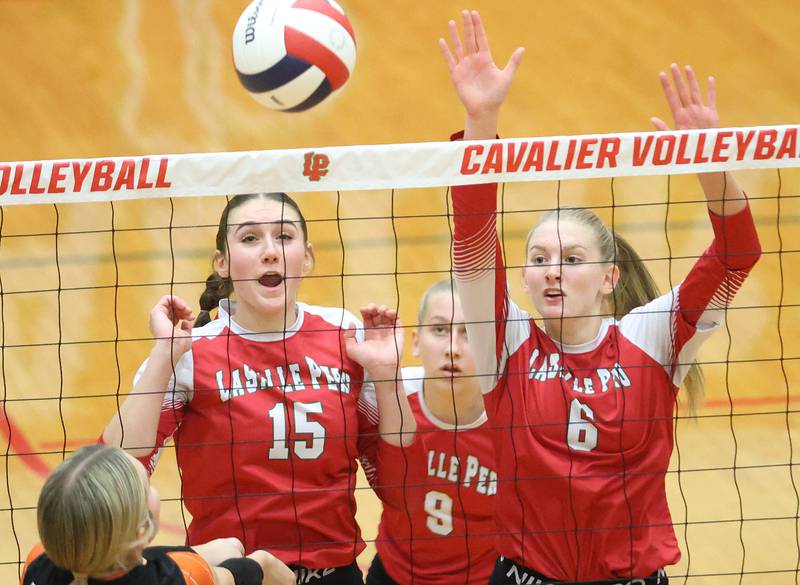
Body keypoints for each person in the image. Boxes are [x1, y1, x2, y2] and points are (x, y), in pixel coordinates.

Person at [439, 10, 762, 584]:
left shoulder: (653, 336)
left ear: (609, 277)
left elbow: (737, 253)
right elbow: (472, 234)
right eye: (538, 261)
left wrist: (709, 164)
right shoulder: (503, 344)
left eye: (571, 259)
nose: (551, 273)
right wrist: (481, 120)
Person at [102, 192, 415, 585]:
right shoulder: (193, 351)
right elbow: (111, 472)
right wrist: (165, 354)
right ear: (223, 263)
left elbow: (401, 486)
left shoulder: (345, 335)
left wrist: (388, 378)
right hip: (233, 574)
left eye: (284, 237)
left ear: (308, 256)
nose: (270, 251)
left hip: (335, 575)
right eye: (250, 239)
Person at [366, 280, 498, 585]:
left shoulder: (513, 412)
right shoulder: (387, 397)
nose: (452, 348)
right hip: (394, 574)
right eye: (440, 330)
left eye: (470, 333)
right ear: (415, 341)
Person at [20, 444, 294, 585]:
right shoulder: (178, 577)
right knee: (237, 553)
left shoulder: (39, 563)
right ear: (141, 532)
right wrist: (263, 563)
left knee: (229, 546)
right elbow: (241, 574)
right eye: (147, 485)